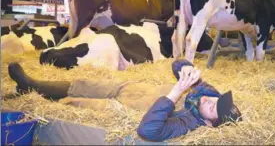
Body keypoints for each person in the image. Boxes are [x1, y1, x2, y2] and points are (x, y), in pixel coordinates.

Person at [7, 59, 242, 142]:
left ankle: (28, 95)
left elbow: (148, 130)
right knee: (86, 84)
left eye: (215, 110)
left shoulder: (186, 125)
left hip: (124, 107)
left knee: (74, 101)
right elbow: (177, 65)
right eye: (218, 100)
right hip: (132, 87)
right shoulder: (207, 92)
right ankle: (31, 84)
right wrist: (186, 68)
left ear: (211, 124)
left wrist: (174, 94)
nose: (213, 102)